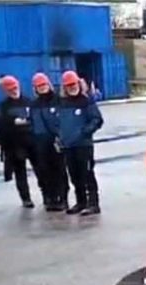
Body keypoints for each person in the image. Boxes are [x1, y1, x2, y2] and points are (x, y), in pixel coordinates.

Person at [0, 75, 43, 208]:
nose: (14, 91)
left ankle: (47, 194)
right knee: (20, 172)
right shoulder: (2, 107)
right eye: (10, 89)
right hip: (14, 144)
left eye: (15, 88)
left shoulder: (29, 102)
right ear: (5, 91)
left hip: (32, 141)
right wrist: (12, 122)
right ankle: (26, 198)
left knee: (41, 169)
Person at [58, 70, 103, 215]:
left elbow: (97, 120)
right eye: (68, 85)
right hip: (68, 146)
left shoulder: (86, 101)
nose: (72, 87)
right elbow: (58, 123)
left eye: (74, 84)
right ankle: (81, 201)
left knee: (87, 174)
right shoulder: (62, 103)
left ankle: (93, 204)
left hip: (83, 145)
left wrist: (85, 131)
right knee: (74, 175)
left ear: (79, 83)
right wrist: (60, 137)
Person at [30, 72, 68, 211]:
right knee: (45, 172)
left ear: (49, 84)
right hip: (40, 142)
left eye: (44, 84)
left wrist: (61, 136)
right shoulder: (34, 105)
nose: (42, 88)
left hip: (56, 140)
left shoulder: (59, 100)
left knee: (60, 171)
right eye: (39, 86)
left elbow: (64, 120)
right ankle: (50, 197)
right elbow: (32, 122)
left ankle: (62, 198)